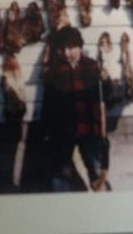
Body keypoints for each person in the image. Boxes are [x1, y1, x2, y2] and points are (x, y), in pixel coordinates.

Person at [41, 26, 112, 192]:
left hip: (89, 128)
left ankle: (102, 197)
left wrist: (106, 80)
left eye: (71, 47)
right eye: (63, 49)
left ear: (80, 47)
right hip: (63, 131)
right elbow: (48, 104)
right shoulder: (54, 73)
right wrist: (45, 131)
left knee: (96, 169)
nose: (67, 53)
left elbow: (106, 95)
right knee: (61, 173)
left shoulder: (92, 67)